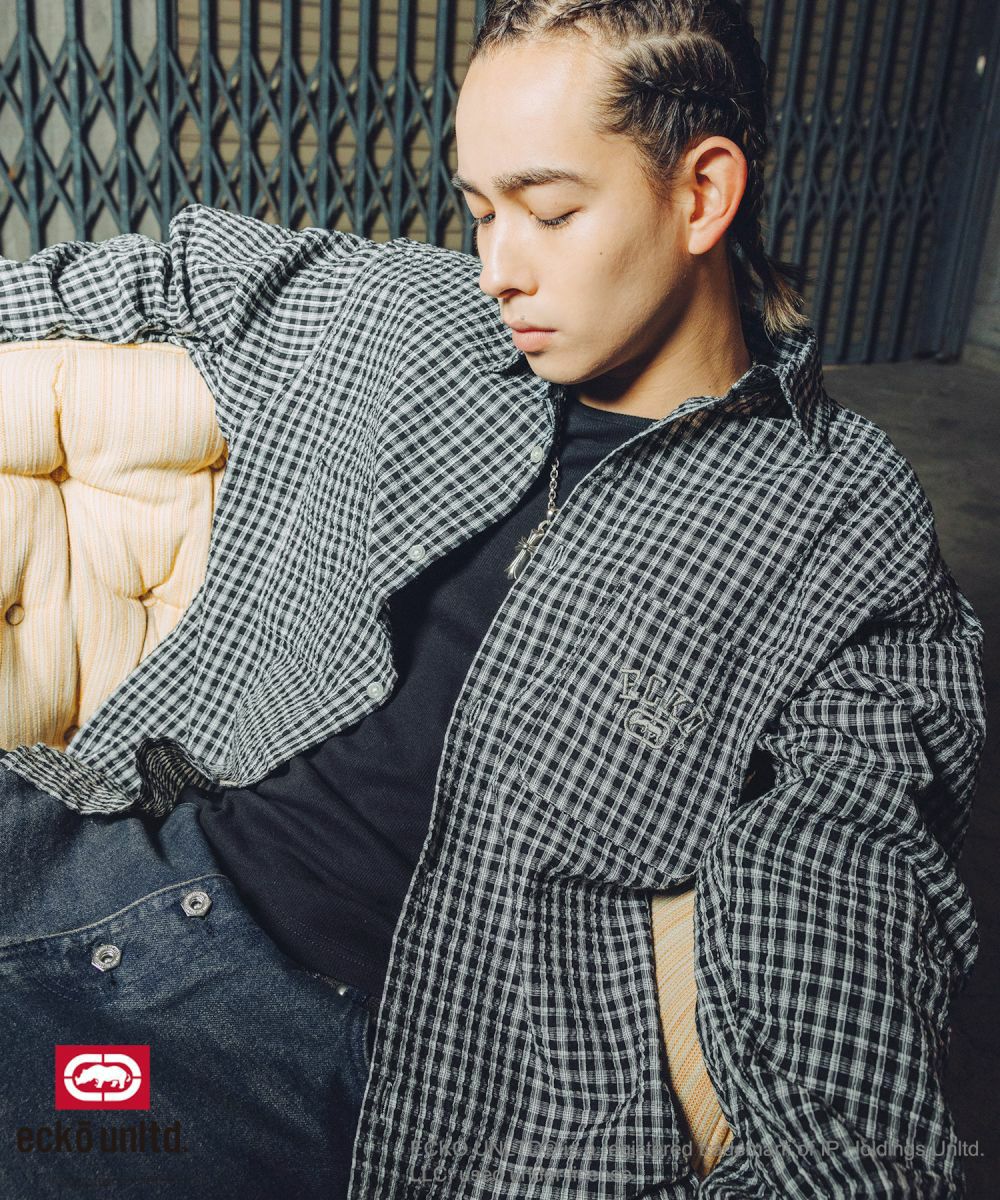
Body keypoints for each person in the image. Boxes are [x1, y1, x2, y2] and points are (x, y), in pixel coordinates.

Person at [0, 2, 985, 1197]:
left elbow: (853, 885)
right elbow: (169, 274)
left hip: (272, 1030)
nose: (499, 269)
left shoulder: (837, 517)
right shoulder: (421, 320)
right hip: (92, 833)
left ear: (701, 194)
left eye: (551, 212)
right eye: (480, 211)